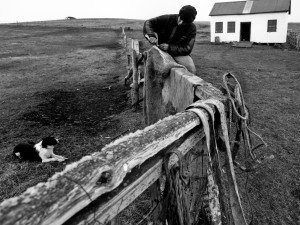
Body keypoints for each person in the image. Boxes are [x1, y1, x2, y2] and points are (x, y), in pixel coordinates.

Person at [143, 5, 197, 74]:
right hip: (160, 50)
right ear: (179, 15)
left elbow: (187, 48)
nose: (181, 22)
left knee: (191, 70)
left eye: (185, 23)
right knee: (153, 68)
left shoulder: (192, 28)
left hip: (179, 53)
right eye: (181, 19)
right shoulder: (168, 18)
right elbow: (148, 22)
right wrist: (151, 35)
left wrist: (169, 47)